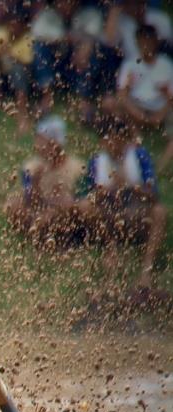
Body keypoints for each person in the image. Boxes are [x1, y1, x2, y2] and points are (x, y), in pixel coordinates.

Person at [83, 115, 165, 291]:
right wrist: (106, 191)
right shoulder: (97, 161)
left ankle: (146, 270)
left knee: (159, 211)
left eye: (114, 139)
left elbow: (153, 194)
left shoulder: (139, 156)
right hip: (110, 215)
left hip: (137, 213)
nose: (110, 144)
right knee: (87, 208)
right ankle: (111, 250)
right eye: (106, 140)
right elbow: (88, 196)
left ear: (123, 139)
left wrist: (131, 186)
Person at [5, 114, 87, 245]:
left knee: (73, 208)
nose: (37, 145)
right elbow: (29, 199)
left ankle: (68, 240)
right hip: (40, 209)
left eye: (42, 141)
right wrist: (35, 183)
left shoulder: (77, 168)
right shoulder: (31, 167)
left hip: (66, 213)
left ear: (56, 143)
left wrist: (64, 203)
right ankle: (34, 238)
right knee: (14, 204)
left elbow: (83, 198)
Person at [107, 24, 173, 130]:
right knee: (110, 103)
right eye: (143, 41)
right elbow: (121, 94)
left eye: (149, 41)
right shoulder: (130, 64)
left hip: (159, 108)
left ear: (155, 41)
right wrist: (139, 115)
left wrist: (158, 117)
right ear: (137, 42)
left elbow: (171, 98)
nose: (146, 45)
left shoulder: (166, 64)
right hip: (136, 105)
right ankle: (134, 134)